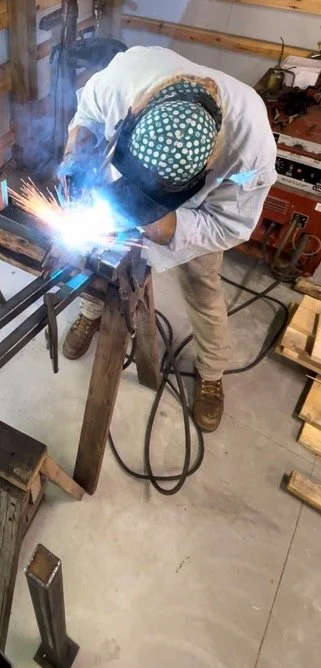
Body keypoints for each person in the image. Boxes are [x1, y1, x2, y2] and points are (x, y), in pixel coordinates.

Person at [59, 46, 277, 433]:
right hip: (117, 187)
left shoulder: (249, 150)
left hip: (195, 215)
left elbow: (231, 225)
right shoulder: (125, 76)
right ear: (135, 114)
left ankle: (211, 372)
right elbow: (89, 113)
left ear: (208, 166)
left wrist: (172, 227)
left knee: (202, 284)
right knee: (99, 261)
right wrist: (76, 151)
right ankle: (92, 314)